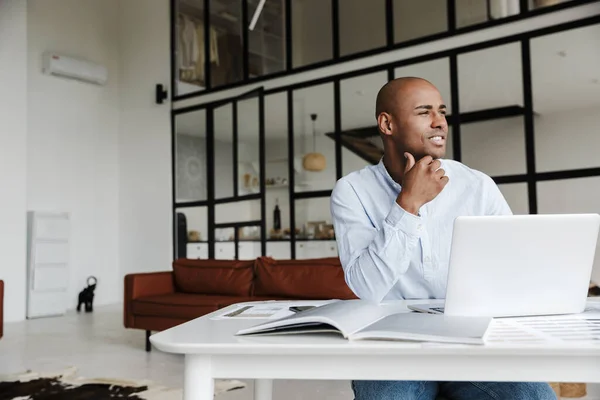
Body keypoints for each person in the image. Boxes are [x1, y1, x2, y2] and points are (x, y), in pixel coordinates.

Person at [330, 77, 556, 400]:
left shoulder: (477, 186)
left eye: (442, 112)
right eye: (424, 112)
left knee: (535, 397)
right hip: (392, 348)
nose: (440, 123)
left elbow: (514, 266)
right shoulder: (351, 192)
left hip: (469, 342)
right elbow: (366, 287)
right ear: (386, 124)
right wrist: (408, 203)